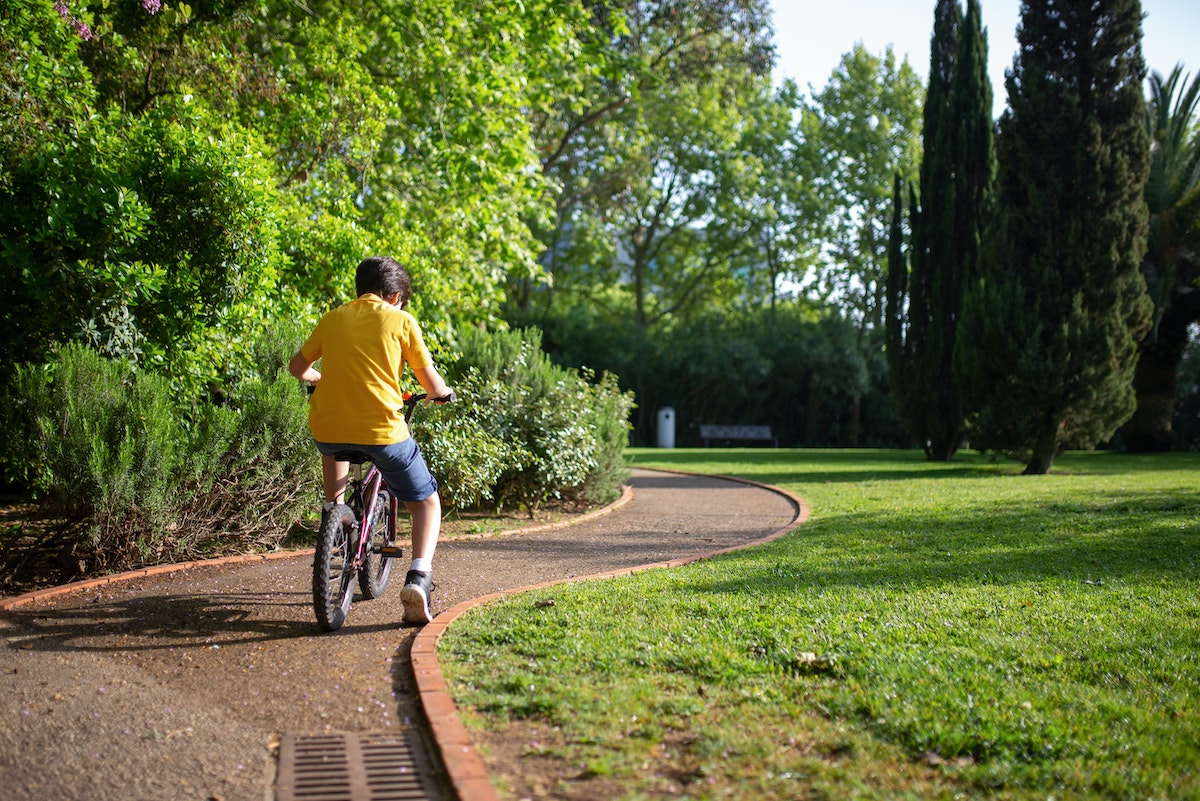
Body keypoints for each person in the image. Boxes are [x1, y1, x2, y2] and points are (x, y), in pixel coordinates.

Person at [289, 256, 453, 625]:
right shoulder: (401, 321)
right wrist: (442, 393)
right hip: (382, 433)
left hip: (327, 430)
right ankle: (418, 579)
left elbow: (297, 368)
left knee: (335, 452)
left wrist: (319, 379)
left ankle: (336, 517)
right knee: (427, 502)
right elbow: (431, 383)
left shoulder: (333, 318)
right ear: (394, 296)